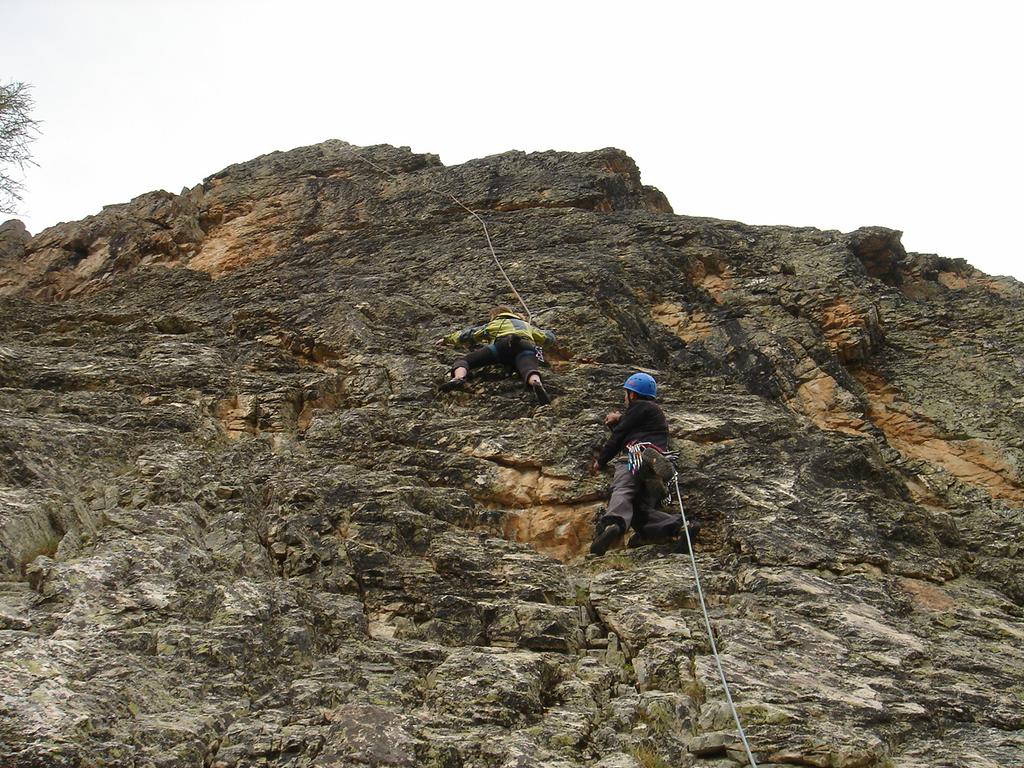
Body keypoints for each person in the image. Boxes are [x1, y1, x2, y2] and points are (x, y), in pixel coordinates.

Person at [589, 372, 681, 555]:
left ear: (632, 394)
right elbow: (632, 427)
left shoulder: (638, 407)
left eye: (626, 394)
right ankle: (677, 528)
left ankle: (613, 524)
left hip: (634, 456)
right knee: (639, 510)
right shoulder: (654, 412)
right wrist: (617, 421)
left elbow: (620, 435)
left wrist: (601, 460)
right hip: (656, 454)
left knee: (623, 489)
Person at [437, 306, 554, 405]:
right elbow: (548, 338)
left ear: (495, 315)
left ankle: (458, 378)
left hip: (502, 346)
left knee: (465, 360)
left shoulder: (494, 323)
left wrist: (446, 339)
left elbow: (468, 335)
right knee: (529, 369)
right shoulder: (526, 325)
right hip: (525, 346)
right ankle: (535, 382)